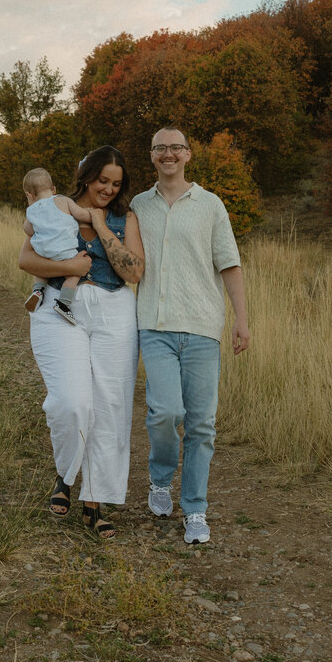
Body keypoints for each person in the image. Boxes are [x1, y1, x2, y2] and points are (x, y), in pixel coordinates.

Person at [131, 127, 250, 545]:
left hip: (202, 326)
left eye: (175, 148)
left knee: (201, 424)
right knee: (164, 411)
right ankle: (160, 480)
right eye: (160, 147)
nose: (168, 154)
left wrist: (241, 319)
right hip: (154, 324)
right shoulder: (137, 206)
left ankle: (195, 508)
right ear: (152, 155)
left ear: (188, 155)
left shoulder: (211, 205)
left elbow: (229, 265)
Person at [18, 147, 144, 539]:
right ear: (86, 176)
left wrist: (103, 226)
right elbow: (26, 259)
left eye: (116, 183)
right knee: (72, 402)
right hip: (61, 308)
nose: (108, 188)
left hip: (114, 310)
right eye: (102, 180)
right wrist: (70, 267)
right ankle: (66, 472)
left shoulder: (126, 218)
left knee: (111, 408)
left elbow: (135, 272)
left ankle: (95, 502)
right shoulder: (56, 205)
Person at [22, 167, 94, 322]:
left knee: (41, 270)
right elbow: (81, 215)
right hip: (66, 252)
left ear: (29, 195)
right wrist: (93, 216)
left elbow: (28, 230)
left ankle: (38, 291)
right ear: (53, 189)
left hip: (44, 252)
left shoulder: (32, 210)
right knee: (74, 274)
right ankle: (63, 303)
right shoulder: (63, 200)